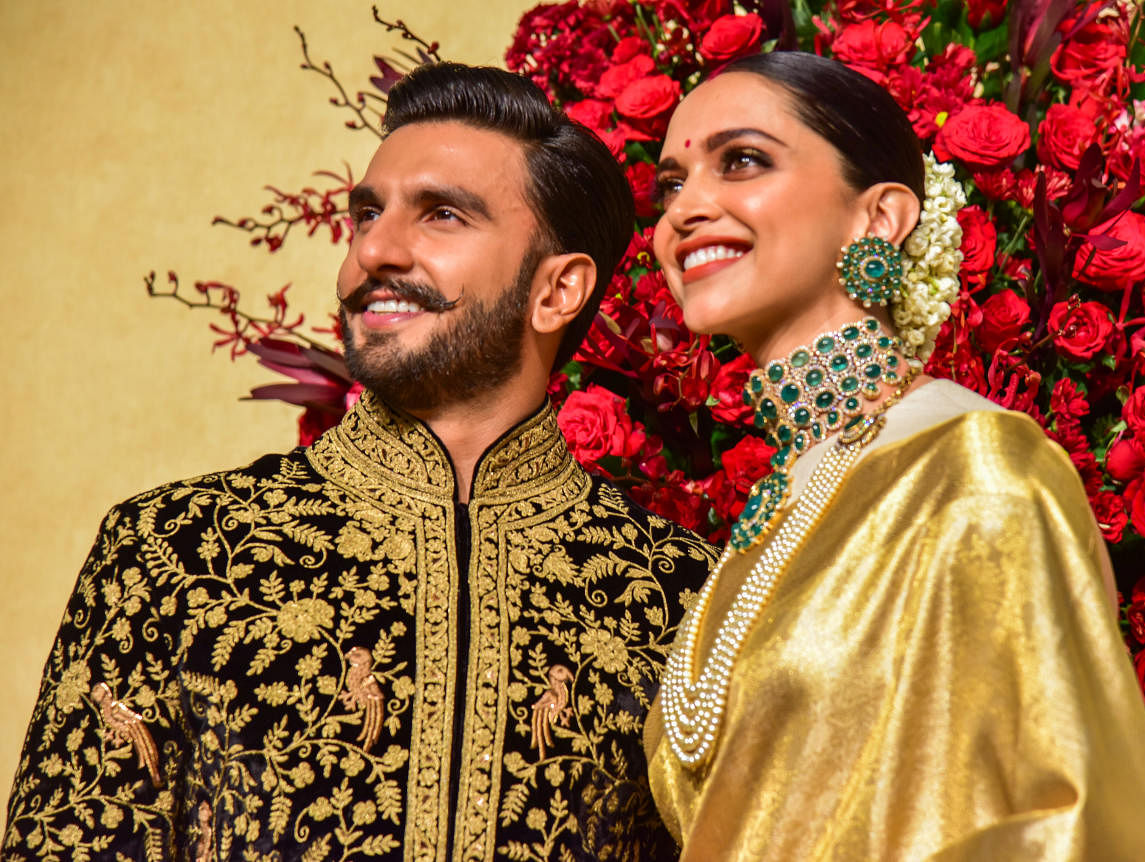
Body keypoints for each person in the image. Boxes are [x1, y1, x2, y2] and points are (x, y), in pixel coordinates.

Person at [4, 63, 717, 860]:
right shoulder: (175, 550)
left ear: (557, 291)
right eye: (366, 215)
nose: (373, 250)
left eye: (442, 215)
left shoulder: (682, 595)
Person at [642, 51, 1145, 860]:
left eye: (742, 160)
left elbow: (1064, 818)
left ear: (880, 219)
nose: (686, 210)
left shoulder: (976, 471)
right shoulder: (787, 500)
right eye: (670, 185)